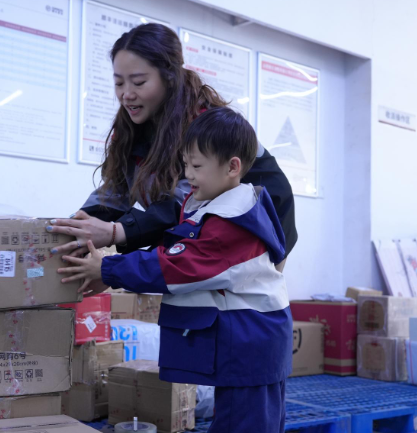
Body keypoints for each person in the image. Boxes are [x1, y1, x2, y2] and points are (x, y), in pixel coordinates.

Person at [58, 107, 293, 433]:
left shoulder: (232, 222)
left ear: (232, 167)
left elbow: (178, 265)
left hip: (249, 348)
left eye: (197, 166)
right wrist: (109, 269)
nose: (188, 175)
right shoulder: (218, 208)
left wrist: (108, 268)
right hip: (247, 345)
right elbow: (173, 252)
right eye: (185, 165)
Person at [47, 23, 297, 292]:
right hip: (199, 219)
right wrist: (76, 225)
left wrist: (114, 237)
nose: (126, 94)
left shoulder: (204, 125)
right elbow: (116, 188)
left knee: (224, 298)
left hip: (258, 220)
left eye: (139, 82)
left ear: (169, 76)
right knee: (184, 295)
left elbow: (185, 201)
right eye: (118, 83)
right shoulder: (133, 125)